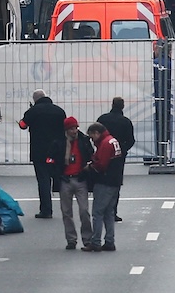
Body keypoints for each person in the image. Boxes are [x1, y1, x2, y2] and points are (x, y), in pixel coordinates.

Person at [19, 89, 67, 219]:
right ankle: (66, 208)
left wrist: (28, 115)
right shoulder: (59, 111)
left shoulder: (33, 111)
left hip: (39, 151)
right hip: (57, 150)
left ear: (35, 100)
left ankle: (46, 210)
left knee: (43, 180)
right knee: (60, 178)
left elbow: (22, 125)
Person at [84, 122, 124, 251]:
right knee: (109, 213)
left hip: (105, 181)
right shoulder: (112, 140)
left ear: (97, 133)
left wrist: (90, 166)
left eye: (92, 136)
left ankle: (95, 242)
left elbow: (101, 164)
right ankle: (109, 241)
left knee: (98, 212)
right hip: (115, 181)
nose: (92, 139)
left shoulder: (105, 144)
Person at [57, 116, 94, 250]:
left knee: (84, 211)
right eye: (72, 128)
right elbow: (53, 160)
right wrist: (59, 175)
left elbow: (91, 156)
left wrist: (86, 171)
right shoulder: (60, 142)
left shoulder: (83, 141)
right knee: (66, 212)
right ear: (66, 130)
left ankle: (87, 238)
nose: (74, 131)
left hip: (80, 178)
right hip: (65, 179)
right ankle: (71, 239)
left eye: (76, 128)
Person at [97, 97, 136, 223]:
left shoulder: (103, 119)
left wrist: (100, 147)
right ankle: (113, 211)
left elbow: (96, 134)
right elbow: (131, 140)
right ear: (122, 106)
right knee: (115, 183)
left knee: (101, 181)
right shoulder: (125, 122)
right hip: (118, 157)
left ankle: (100, 209)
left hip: (103, 152)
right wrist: (121, 149)